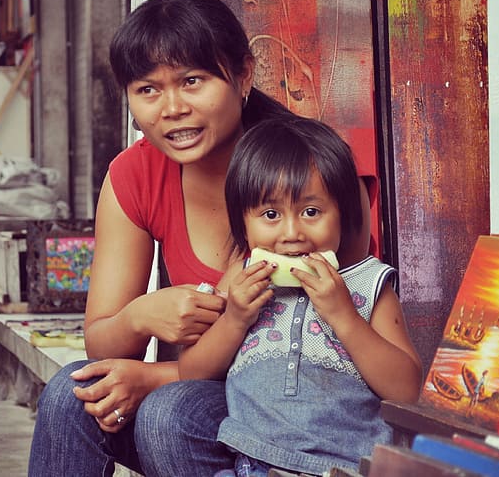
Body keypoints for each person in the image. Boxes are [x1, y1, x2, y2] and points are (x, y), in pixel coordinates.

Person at [28, 0, 374, 476]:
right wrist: (142, 317)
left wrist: (155, 377)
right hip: (201, 387)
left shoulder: (311, 172)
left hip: (302, 402)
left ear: (244, 75)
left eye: (192, 81)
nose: (172, 108)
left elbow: (342, 339)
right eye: (148, 89)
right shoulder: (135, 175)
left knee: (171, 412)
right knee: (73, 392)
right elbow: (103, 344)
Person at [177, 117, 422, 476]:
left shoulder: (368, 284)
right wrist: (234, 320)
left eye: (311, 212)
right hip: (252, 465)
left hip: (343, 468)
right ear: (242, 224)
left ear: (343, 215)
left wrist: (344, 316)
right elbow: (191, 372)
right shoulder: (243, 283)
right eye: (271, 214)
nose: (291, 233)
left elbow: (407, 390)